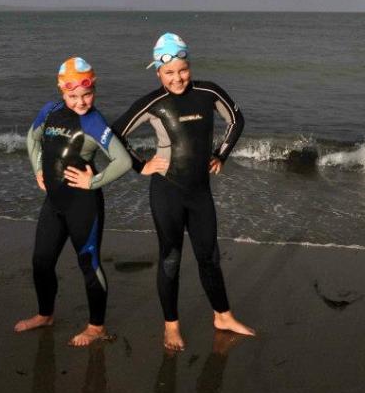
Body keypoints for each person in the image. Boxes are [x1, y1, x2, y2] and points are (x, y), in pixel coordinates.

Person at [112, 33, 255, 351]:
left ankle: (223, 316)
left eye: (182, 70)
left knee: (210, 258)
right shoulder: (153, 103)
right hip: (168, 192)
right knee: (170, 260)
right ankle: (171, 326)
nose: (177, 78)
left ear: (189, 66)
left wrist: (221, 154)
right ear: (158, 73)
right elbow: (114, 134)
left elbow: (236, 119)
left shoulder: (208, 92)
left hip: (200, 193)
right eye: (169, 72)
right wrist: (140, 165)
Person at [15, 56, 131, 346]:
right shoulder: (50, 111)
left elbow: (123, 160)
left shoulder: (93, 121)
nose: (81, 102)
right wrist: (38, 168)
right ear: (61, 90)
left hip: (83, 207)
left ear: (94, 89)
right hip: (54, 204)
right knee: (41, 262)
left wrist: (92, 181)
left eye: (87, 94)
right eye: (73, 96)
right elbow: (32, 138)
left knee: (88, 264)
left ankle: (96, 327)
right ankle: (45, 314)